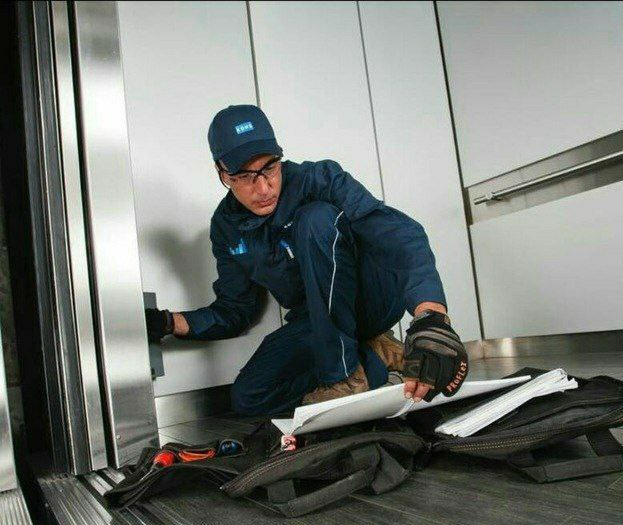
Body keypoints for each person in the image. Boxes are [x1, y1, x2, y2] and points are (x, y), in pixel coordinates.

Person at [145, 105, 468, 416]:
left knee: (315, 219)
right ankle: (373, 356)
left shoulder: (320, 179)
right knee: (248, 396)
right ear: (223, 173)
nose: (263, 187)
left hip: (371, 299)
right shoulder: (226, 228)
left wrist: (431, 315)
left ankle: (345, 378)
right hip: (316, 320)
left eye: (270, 168)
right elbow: (235, 309)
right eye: (245, 175)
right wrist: (169, 322)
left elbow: (397, 233)